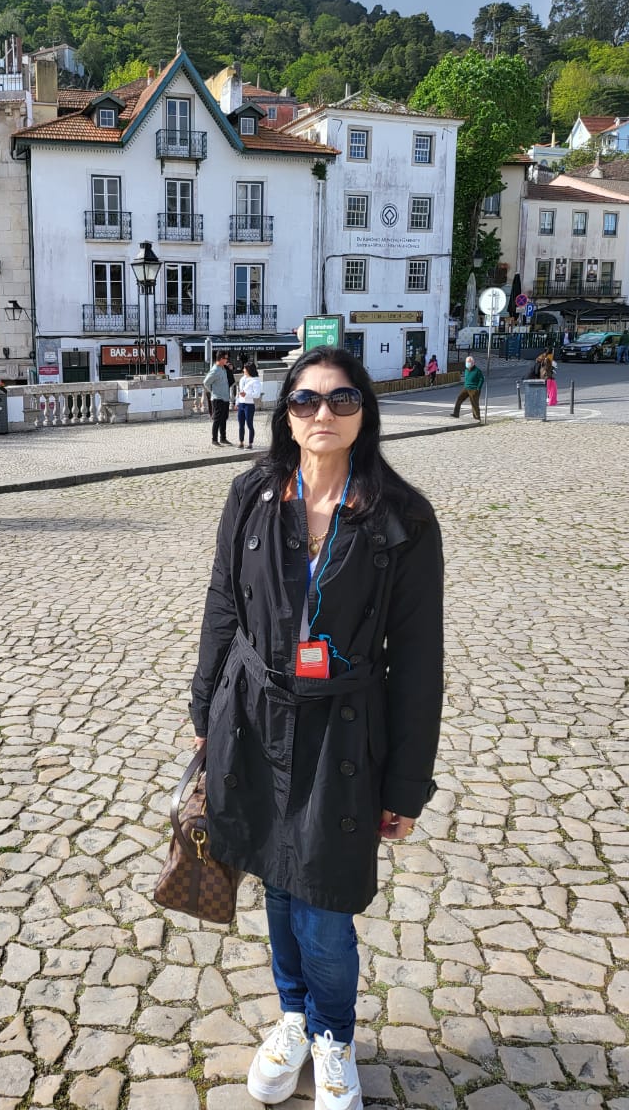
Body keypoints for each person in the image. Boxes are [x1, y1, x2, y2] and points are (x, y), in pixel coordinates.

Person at [189, 346, 443, 1109]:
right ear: (286, 414)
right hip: (254, 715)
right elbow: (222, 604)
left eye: (341, 399)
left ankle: (333, 1035)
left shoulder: (402, 517)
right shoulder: (253, 493)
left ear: (366, 411)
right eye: (305, 400)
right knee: (276, 877)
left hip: (345, 729)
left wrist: (405, 784)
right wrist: (205, 713)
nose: (322, 413)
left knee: (325, 899)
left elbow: (419, 658)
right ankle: (295, 1016)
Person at [203, 351, 232, 447]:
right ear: (221, 359)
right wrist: (213, 391)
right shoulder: (215, 370)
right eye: (226, 358)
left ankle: (223, 438)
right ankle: (214, 440)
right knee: (217, 419)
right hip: (218, 398)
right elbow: (206, 382)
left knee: (224, 419)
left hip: (225, 398)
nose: (227, 360)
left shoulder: (223, 369)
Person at [236, 361, 263, 449]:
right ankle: (241, 442)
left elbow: (257, 395)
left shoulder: (255, 381)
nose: (243, 370)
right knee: (241, 424)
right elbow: (239, 392)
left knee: (249, 424)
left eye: (244, 368)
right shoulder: (242, 379)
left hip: (249, 405)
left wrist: (246, 395)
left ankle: (250, 443)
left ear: (249, 369)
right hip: (241, 404)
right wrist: (237, 402)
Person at [451, 355, 484, 421]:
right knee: (459, 398)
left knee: (474, 403)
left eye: (469, 362)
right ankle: (456, 413)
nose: (467, 363)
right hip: (466, 388)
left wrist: (478, 388)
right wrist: (465, 385)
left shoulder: (477, 370)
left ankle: (477, 418)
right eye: (466, 362)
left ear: (473, 363)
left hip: (474, 389)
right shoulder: (466, 370)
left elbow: (481, 379)